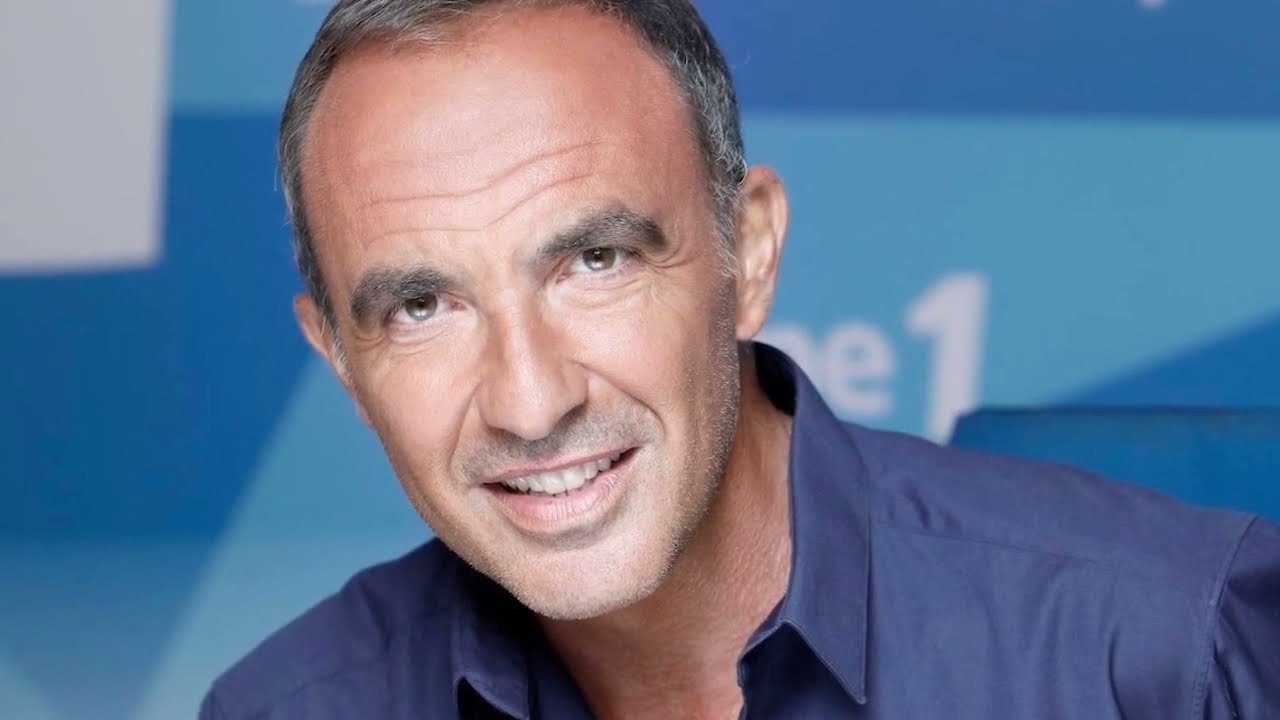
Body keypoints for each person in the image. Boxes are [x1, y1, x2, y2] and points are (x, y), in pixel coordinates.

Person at [201, 1, 1280, 717]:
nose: (528, 403)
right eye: (422, 306)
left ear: (748, 252)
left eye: (595, 260)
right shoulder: (288, 708)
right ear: (340, 360)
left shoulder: (1162, 654)